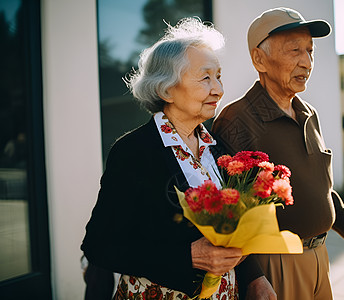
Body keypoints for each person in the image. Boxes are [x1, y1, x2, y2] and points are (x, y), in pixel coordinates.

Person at [81, 18, 262, 299]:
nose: (219, 89)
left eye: (219, 76)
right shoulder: (134, 152)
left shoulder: (218, 149)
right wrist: (187, 255)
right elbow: (99, 245)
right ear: (166, 89)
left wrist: (255, 278)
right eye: (205, 77)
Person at [212, 7, 344, 300]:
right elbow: (230, 217)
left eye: (310, 51)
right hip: (274, 267)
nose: (307, 62)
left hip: (320, 257)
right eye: (294, 50)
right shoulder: (236, 120)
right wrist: (254, 277)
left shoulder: (308, 113)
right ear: (259, 59)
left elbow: (322, 189)